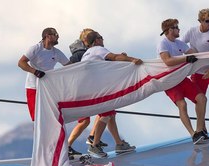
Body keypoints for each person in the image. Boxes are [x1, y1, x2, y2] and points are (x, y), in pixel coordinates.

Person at [81, 31, 140, 158]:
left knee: (110, 114)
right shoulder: (98, 49)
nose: (103, 39)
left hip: (92, 89)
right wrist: (132, 59)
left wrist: (121, 58)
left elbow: (107, 64)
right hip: (99, 89)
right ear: (96, 41)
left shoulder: (87, 53)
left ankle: (119, 144)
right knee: (107, 115)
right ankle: (94, 144)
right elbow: (114, 57)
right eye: (101, 37)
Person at [158, 18, 209, 145]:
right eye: (176, 27)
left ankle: (199, 131)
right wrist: (186, 59)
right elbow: (167, 61)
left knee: (202, 99)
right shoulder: (163, 44)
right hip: (169, 80)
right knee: (182, 105)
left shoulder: (179, 43)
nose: (179, 29)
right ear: (170, 30)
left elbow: (193, 52)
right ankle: (193, 134)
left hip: (181, 78)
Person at [66, 28, 108, 158]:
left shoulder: (85, 53)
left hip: (83, 90)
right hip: (81, 91)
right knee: (87, 120)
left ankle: (92, 137)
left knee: (96, 115)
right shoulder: (81, 54)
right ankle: (70, 145)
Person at [18, 27, 71, 121]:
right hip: (33, 87)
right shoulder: (36, 48)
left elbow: (69, 66)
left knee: (50, 116)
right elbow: (21, 63)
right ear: (48, 36)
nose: (58, 37)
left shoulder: (56, 52)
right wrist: (35, 72)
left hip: (47, 87)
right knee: (36, 117)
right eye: (56, 35)